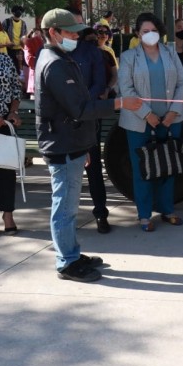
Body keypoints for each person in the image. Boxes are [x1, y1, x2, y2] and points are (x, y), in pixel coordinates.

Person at [35, 8, 142, 282]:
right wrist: (119, 103)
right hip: (62, 144)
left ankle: (70, 253)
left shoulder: (60, 57)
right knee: (65, 207)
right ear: (53, 32)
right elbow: (80, 109)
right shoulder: (55, 64)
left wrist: (82, 146)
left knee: (68, 205)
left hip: (70, 142)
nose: (76, 37)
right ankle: (67, 262)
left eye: (76, 32)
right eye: (70, 32)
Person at [118, 12, 183, 232]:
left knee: (168, 164)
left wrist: (173, 112)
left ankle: (167, 210)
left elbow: (181, 82)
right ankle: (144, 215)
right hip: (138, 122)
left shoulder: (170, 52)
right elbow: (126, 88)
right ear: (138, 34)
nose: (150, 34)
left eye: (154, 31)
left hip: (171, 120)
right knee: (142, 169)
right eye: (145, 31)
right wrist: (147, 114)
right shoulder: (128, 57)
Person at [70, 14, 112, 234]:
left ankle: (100, 213)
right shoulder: (52, 52)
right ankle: (67, 218)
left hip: (88, 117)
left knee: (93, 167)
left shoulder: (93, 52)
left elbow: (99, 83)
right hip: (63, 121)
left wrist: (84, 105)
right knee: (67, 172)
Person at [0, 49, 21, 235]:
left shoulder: (5, 59)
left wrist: (13, 112)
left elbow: (16, 88)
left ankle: (8, 214)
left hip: (4, 122)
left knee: (6, 170)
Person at [4, 5, 27, 74]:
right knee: (10, 67)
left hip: (20, 49)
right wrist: (7, 43)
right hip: (10, 49)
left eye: (20, 11)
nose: (19, 12)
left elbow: (25, 35)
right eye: (17, 11)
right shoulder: (7, 22)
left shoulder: (23, 23)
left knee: (20, 68)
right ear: (13, 12)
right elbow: (2, 34)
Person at [22, 27, 44, 99]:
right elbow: (29, 60)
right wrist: (43, 60)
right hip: (35, 73)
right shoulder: (29, 43)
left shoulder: (45, 42)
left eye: (38, 33)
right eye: (35, 33)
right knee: (35, 99)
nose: (37, 35)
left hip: (45, 75)